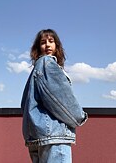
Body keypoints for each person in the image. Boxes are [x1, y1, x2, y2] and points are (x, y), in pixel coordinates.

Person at [21, 29, 88, 163]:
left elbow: (24, 104)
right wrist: (79, 117)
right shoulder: (47, 63)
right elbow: (60, 99)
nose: (47, 45)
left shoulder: (35, 70)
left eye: (51, 41)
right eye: (43, 42)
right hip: (54, 136)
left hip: (37, 136)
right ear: (38, 48)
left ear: (57, 45)